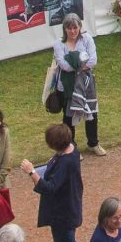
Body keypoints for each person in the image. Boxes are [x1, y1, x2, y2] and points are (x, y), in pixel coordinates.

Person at [48, 18, 104, 155]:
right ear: (65, 29)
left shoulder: (87, 39)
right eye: (69, 28)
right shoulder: (58, 44)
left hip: (86, 84)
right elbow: (64, 65)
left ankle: (93, 143)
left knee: (91, 113)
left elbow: (93, 60)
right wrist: (80, 65)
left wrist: (74, 61)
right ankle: (70, 147)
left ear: (80, 27)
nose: (72, 31)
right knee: (68, 118)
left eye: (75, 28)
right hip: (66, 87)